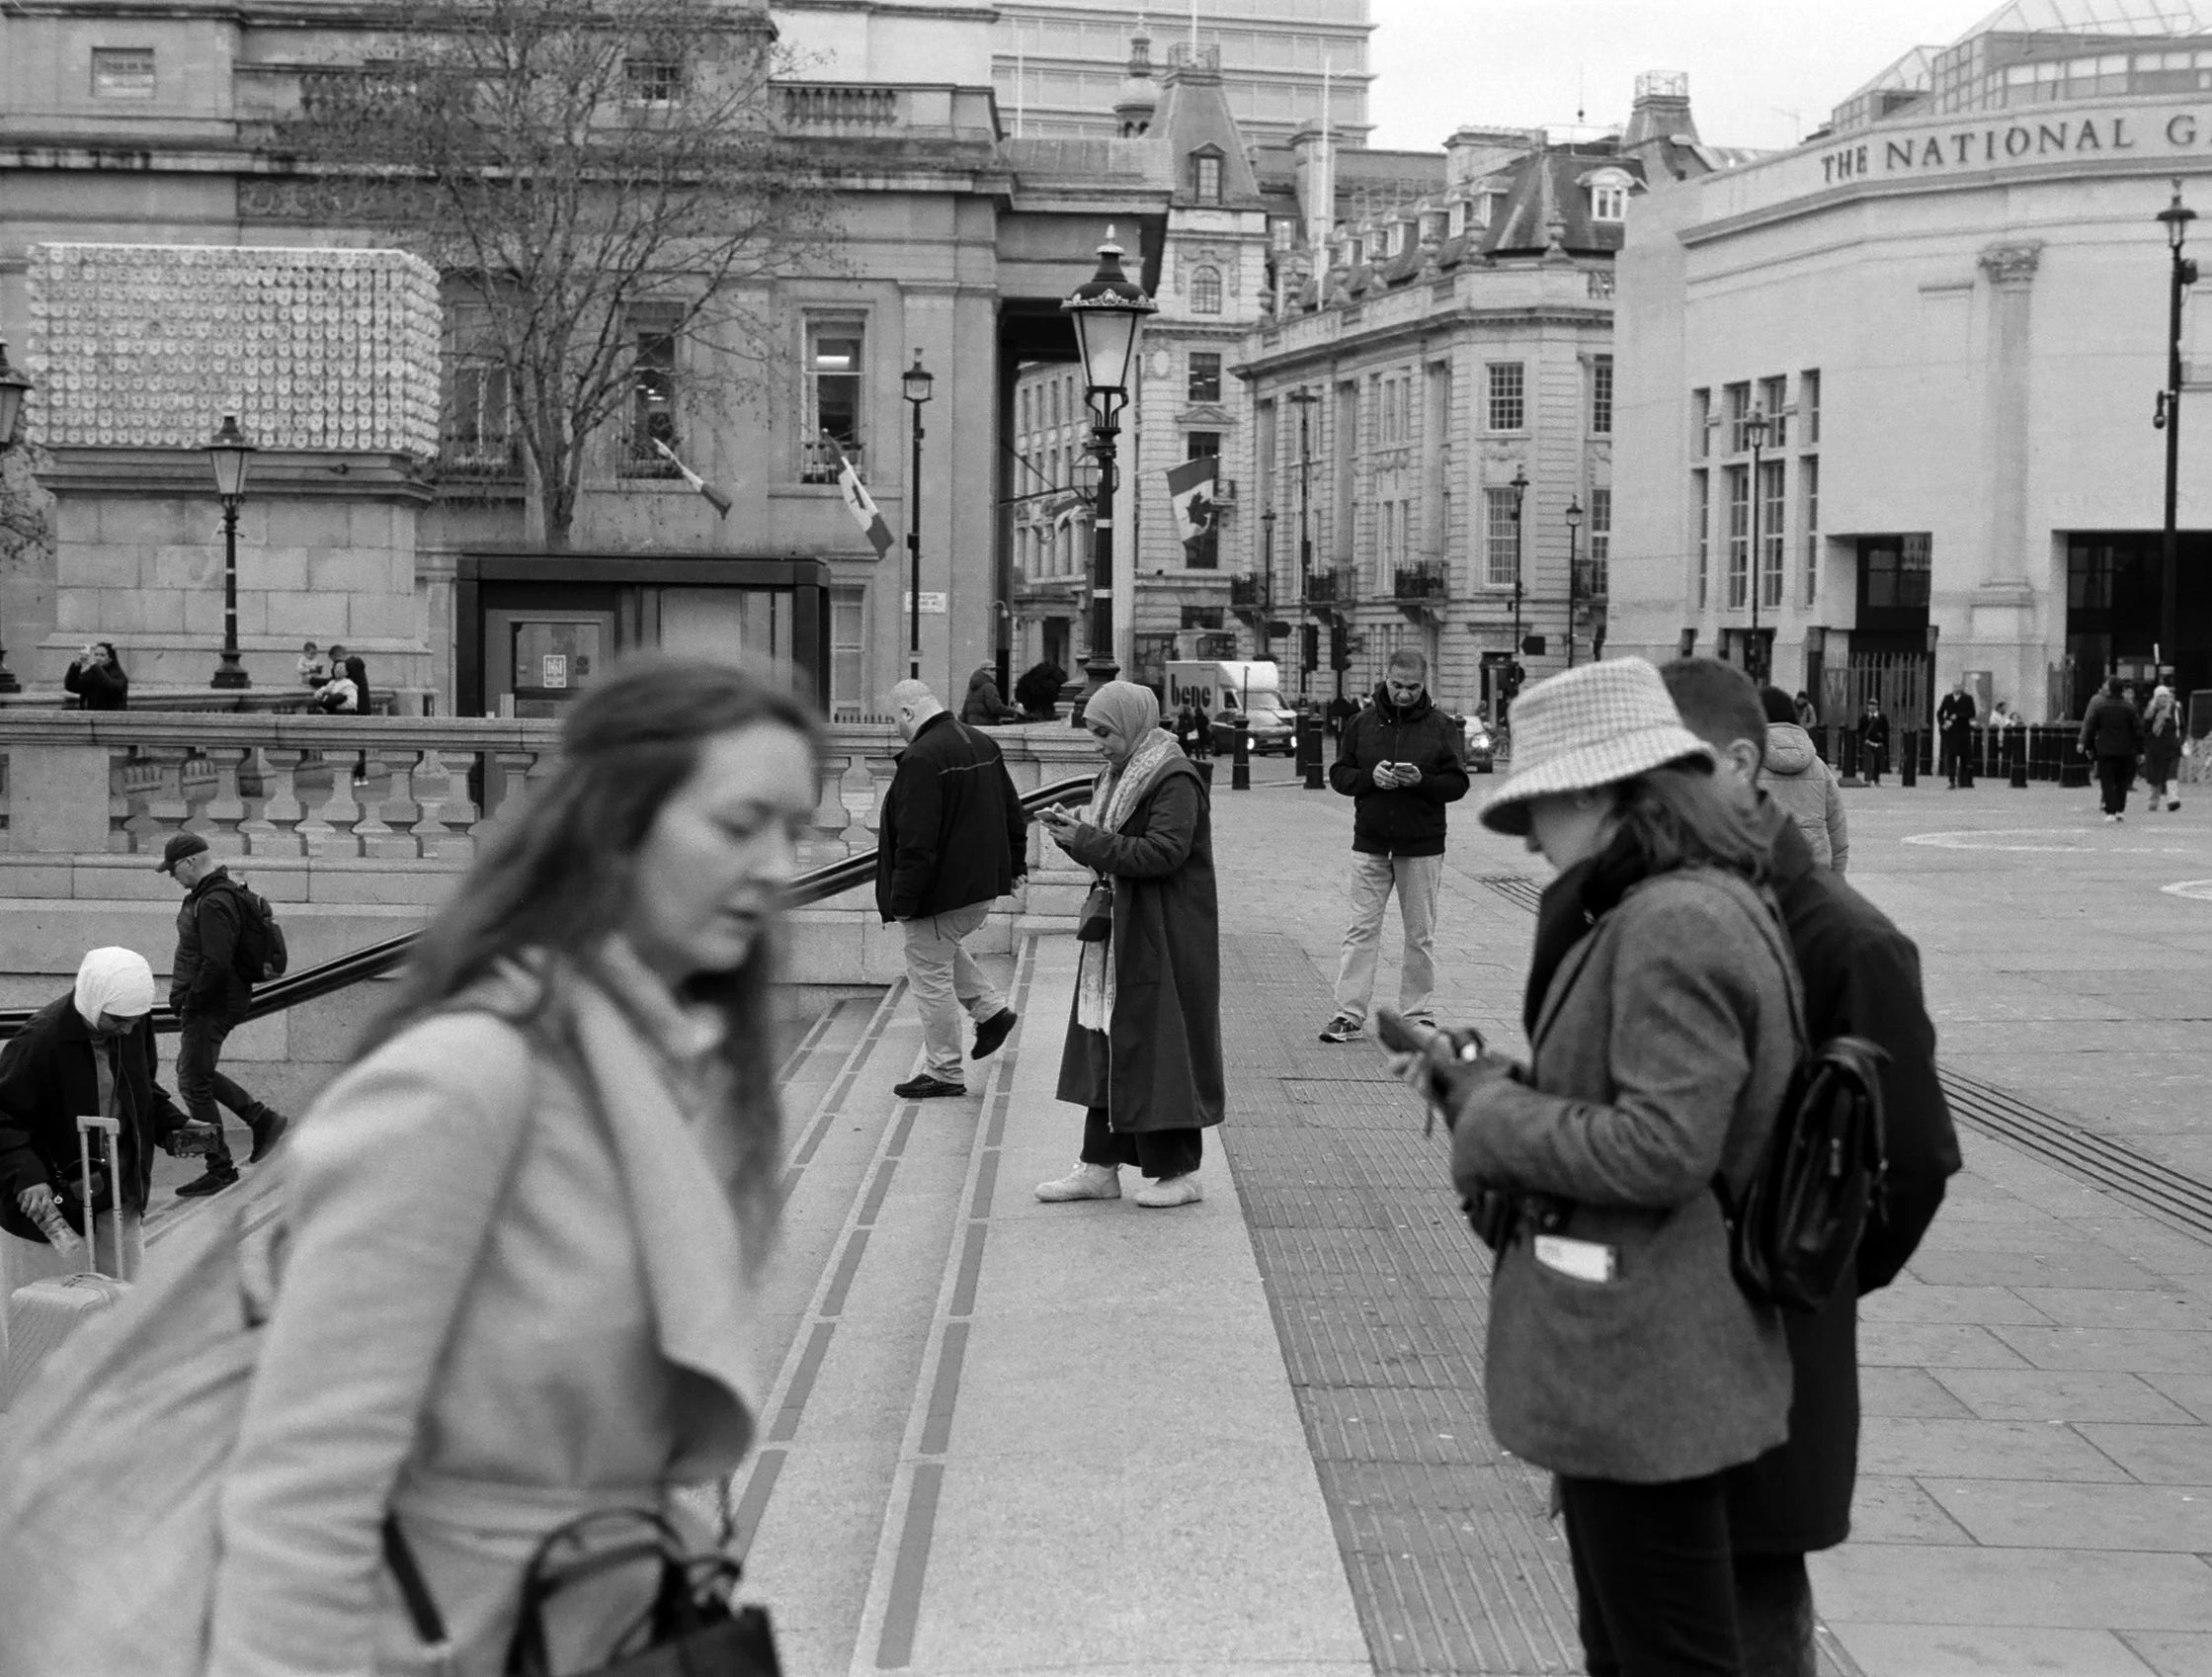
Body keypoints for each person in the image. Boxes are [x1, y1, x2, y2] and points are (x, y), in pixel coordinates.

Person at [205, 656, 816, 1673]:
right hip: (458, 1636)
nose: (776, 865)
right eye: (737, 822)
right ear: (614, 823)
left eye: (791, 829)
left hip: (619, 1618)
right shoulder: (463, 1080)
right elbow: (301, 1483)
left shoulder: (667, 1068)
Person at [1405, 657, 1802, 1677]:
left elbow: (1663, 1146)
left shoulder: (1672, 920)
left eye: (1538, 805)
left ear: (1597, 789)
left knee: (1661, 1655)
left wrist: (1491, 1111)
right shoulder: (1683, 902)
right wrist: (1490, 1078)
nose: (1531, 836)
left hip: (1647, 1365)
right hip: (1646, 1357)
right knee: (1630, 1650)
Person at [1659, 658, 1959, 1676]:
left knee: (1749, 1604)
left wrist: (1805, 1265)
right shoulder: (1663, 902)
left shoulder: (1846, 941)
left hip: (1768, 1341)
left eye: (1661, 768)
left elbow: (1913, 1158)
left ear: (1739, 764)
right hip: (1657, 1345)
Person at [1033, 681, 1222, 1209]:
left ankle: (1181, 1174)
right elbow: (1116, 854)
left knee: (1162, 1045)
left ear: (1134, 725)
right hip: (1127, 927)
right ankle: (1099, 1166)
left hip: (1165, 931)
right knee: (1110, 1041)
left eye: (1105, 732)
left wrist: (1088, 840)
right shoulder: (1118, 772)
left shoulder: (1173, 776)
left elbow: (1164, 853)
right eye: (1093, 732)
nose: (1097, 743)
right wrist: (1076, 839)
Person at [0, 949, 200, 1331]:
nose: (126, 1030)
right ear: (93, 999)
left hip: (114, 1189)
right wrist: (27, 1175)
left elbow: (140, 1091)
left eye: (133, 1021)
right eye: (117, 1020)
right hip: (52, 1193)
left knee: (120, 1307)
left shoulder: (134, 1024)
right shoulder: (40, 1039)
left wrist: (175, 1126)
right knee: (49, 1313)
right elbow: (4, 1115)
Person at [875, 679, 1025, 1101]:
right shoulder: (980, 742)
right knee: (938, 951)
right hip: (977, 886)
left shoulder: (922, 757)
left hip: (941, 892)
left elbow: (915, 841)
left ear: (908, 712)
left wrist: (903, 902)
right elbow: (1015, 812)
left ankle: (944, 1070)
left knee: (928, 973)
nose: (898, 729)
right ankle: (991, 1012)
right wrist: (1015, 865)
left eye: (896, 720)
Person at [1317, 648, 1469, 1044]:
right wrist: (1371, 777)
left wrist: (1421, 779)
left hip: (1421, 845)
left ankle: (1417, 1014)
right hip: (1370, 843)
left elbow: (1457, 784)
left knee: (1420, 934)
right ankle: (1348, 1013)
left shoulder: (1441, 726)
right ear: (1385, 679)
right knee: (1361, 929)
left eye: (1413, 688)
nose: (1404, 694)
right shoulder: (1361, 723)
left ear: (1425, 683)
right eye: (1397, 686)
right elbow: (1339, 774)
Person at [158, 834, 290, 1197]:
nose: (173, 877)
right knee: (196, 1074)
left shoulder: (214, 901)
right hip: (217, 1000)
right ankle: (263, 1120)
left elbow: (216, 962)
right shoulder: (214, 895)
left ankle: (220, 1168)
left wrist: (191, 1000)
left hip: (212, 1002)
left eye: (173, 870)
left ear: (189, 862)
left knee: (191, 1082)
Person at [1759, 685, 1848, 873]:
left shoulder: (1747, 766)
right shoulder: (1820, 767)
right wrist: (1836, 882)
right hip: (1814, 879)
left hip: (1763, 880)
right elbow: (1837, 834)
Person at [2080, 676, 2146, 823]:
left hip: (2105, 749)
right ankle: (2120, 810)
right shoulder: (2129, 708)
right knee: (2122, 780)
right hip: (2125, 750)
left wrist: (2089, 746)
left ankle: (2110, 810)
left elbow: (2091, 728)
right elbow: (2138, 730)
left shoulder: (2101, 707)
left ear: (2109, 689)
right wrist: (2140, 750)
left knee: (2107, 780)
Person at [2143, 683, 2183, 813]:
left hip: (2173, 748)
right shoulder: (2150, 711)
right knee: (2155, 777)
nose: (2164, 699)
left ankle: (2173, 800)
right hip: (2155, 749)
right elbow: (2144, 730)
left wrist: (2180, 741)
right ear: (2156, 698)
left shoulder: (2175, 709)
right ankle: (2153, 801)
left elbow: (2182, 727)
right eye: (2161, 696)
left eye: (2166, 696)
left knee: (2171, 774)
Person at [1935, 679, 1978, 789]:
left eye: (1959, 687)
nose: (1957, 689)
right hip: (1951, 731)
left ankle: (1963, 780)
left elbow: (1972, 713)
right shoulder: (1948, 698)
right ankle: (1951, 780)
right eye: (1955, 687)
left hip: (1963, 731)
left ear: (1962, 688)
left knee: (1964, 756)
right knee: (1951, 756)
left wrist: (1959, 715)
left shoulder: (1968, 698)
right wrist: (1943, 723)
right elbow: (1940, 712)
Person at [62, 641, 127, 711]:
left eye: (102, 655)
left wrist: (95, 667)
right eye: (96, 655)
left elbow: (109, 685)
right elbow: (71, 686)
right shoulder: (92, 674)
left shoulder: (120, 677)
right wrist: (75, 666)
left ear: (111, 659)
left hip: (111, 718)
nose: (98, 658)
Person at [959, 663, 1023, 725]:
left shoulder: (972, 687)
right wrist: (1014, 713)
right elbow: (995, 707)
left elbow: (965, 709)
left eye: (995, 670)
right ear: (983, 670)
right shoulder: (989, 686)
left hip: (973, 727)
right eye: (991, 670)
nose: (995, 673)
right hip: (987, 725)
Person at [1856, 698, 1890, 786]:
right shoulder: (1864, 718)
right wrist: (1864, 740)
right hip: (1868, 743)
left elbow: (1886, 731)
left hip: (1879, 743)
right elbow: (1860, 730)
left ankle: (1876, 779)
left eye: (1874, 705)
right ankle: (1868, 779)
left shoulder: (1882, 718)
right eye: (1870, 705)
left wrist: (1884, 742)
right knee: (1868, 761)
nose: (1872, 707)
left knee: (1878, 762)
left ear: (1877, 706)